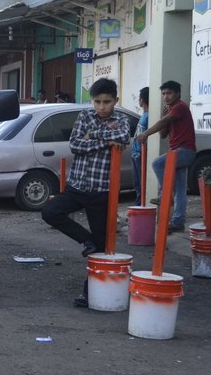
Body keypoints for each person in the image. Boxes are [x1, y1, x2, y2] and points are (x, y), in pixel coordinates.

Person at [40, 77, 130, 308]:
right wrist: (104, 141)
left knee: (101, 248)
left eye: (107, 102)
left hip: (102, 191)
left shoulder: (121, 119)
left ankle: (90, 294)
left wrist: (93, 136)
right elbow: (75, 145)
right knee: (50, 212)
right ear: (92, 102)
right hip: (78, 186)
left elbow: (122, 137)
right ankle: (85, 239)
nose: (102, 107)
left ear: (115, 101)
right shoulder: (85, 116)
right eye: (98, 102)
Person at [135, 80, 196, 232]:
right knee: (180, 190)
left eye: (169, 93)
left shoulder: (180, 107)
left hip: (185, 151)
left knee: (157, 164)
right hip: (177, 151)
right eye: (163, 94)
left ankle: (164, 194)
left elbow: (164, 122)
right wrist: (164, 115)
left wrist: (146, 133)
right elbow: (163, 134)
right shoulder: (170, 110)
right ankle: (178, 221)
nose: (166, 97)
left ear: (177, 94)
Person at [131, 86, 150, 202]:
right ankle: (138, 206)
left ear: (142, 100)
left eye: (139, 98)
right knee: (137, 184)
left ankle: (140, 206)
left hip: (140, 154)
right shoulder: (144, 115)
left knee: (141, 184)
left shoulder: (148, 116)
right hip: (136, 153)